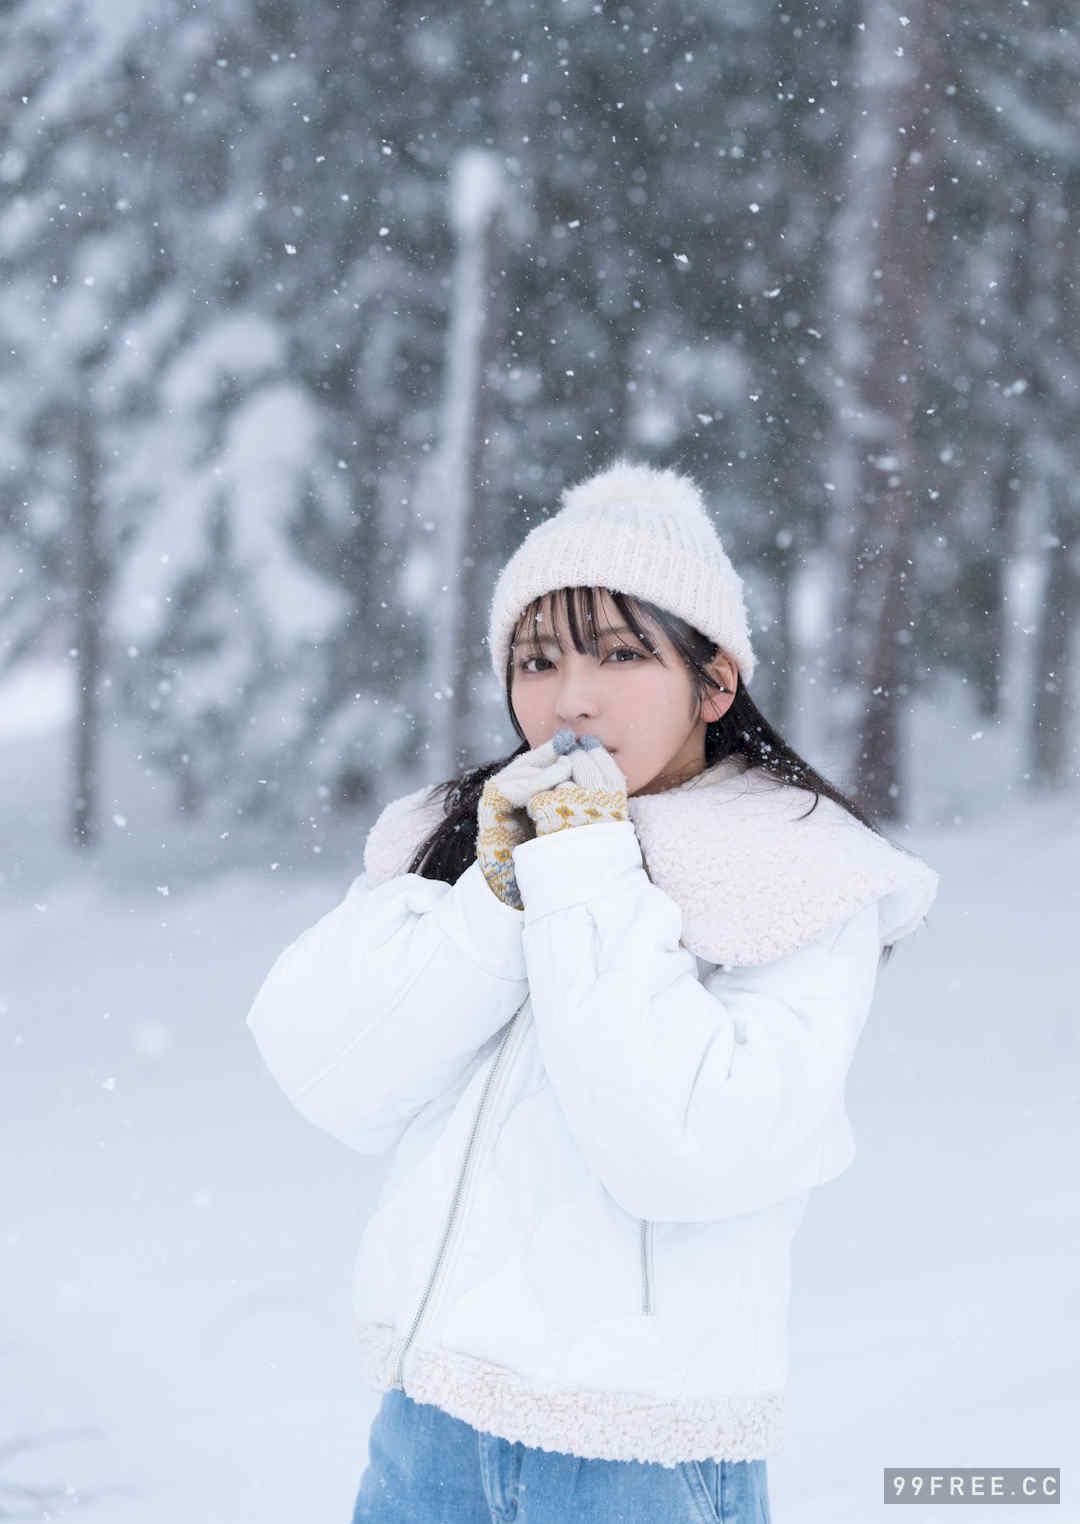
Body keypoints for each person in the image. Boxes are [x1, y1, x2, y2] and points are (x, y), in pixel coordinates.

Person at [246, 458, 939, 1523]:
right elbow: (331, 1072)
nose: (569, 699)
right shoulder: (470, 833)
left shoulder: (798, 871)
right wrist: (498, 896)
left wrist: (583, 871)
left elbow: (685, 1147)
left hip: (637, 1462)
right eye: (536, 659)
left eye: (621, 654)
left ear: (716, 682)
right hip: (428, 1434)